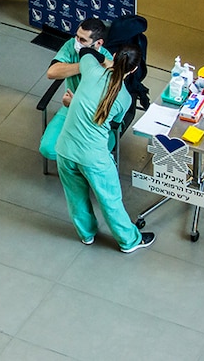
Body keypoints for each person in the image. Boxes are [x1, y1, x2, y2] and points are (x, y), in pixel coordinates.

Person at [54, 43, 155, 253]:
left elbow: (86, 51)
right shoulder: (125, 99)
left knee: (75, 196)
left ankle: (86, 234)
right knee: (110, 200)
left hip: (65, 148)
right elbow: (112, 122)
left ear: (115, 55)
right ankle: (129, 240)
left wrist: (106, 62)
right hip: (94, 157)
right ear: (134, 70)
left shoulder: (91, 70)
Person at [39, 18, 112, 161]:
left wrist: (78, 102)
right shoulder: (71, 47)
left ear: (98, 43)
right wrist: (84, 64)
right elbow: (52, 72)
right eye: (77, 36)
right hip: (69, 109)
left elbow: (111, 93)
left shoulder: (107, 60)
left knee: (93, 154)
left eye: (83, 40)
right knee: (48, 149)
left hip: (96, 115)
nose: (77, 42)